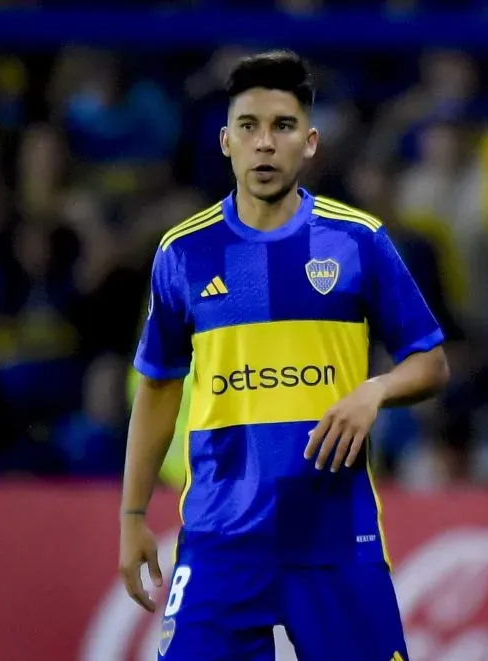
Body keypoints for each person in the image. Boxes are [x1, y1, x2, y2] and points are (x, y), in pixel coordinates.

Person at [118, 50, 448, 661]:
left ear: (311, 142)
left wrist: (374, 391)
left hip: (333, 538)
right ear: (225, 141)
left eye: (283, 127)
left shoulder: (358, 241)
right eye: (249, 127)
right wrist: (133, 514)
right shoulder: (183, 253)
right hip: (220, 540)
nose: (265, 144)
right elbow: (159, 388)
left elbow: (430, 361)